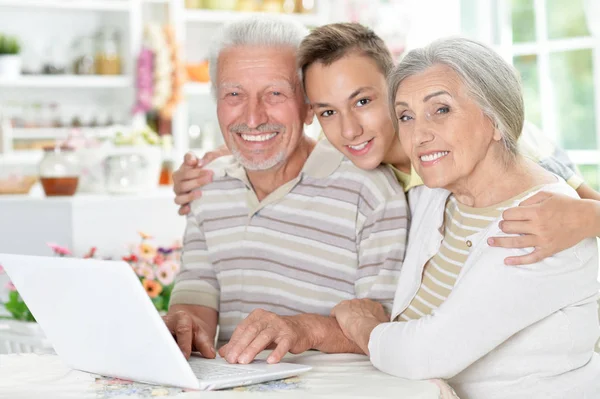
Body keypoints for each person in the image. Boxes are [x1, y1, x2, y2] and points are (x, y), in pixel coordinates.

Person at [174, 23, 600, 268]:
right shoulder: (347, 152)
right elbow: (279, 143)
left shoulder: (491, 128)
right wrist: (225, 162)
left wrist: (586, 219)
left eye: (363, 101)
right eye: (327, 111)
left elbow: (586, 204)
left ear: (394, 83)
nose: (350, 130)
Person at [330, 37, 600, 398]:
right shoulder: (436, 191)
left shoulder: (544, 224)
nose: (419, 134)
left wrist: (365, 327)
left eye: (441, 109)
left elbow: (425, 354)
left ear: (496, 121)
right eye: (406, 116)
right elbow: (350, 141)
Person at [164, 16, 409, 366]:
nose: (252, 118)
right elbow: (196, 296)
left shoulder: (369, 191)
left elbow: (390, 330)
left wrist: (305, 329)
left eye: (275, 93)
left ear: (309, 107)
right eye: (234, 94)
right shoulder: (206, 185)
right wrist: (183, 326)